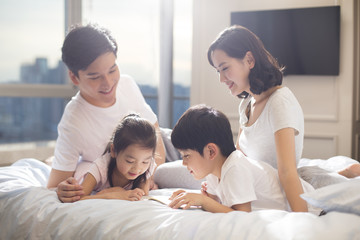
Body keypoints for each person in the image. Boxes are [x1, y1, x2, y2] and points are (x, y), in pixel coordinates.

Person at [206, 25, 360, 212]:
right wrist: (216, 189)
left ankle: (339, 176)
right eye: (217, 71)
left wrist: (301, 220)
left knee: (309, 179)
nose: (221, 79)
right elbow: (238, 157)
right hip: (263, 185)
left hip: (278, 189)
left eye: (225, 68)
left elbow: (286, 172)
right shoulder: (246, 105)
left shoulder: (280, 102)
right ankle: (339, 173)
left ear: (249, 60)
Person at [47, 24, 165, 202]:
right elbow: (55, 186)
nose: (108, 83)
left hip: (157, 148)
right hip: (116, 168)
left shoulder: (126, 84)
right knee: (83, 168)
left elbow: (158, 149)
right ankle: (50, 161)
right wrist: (63, 190)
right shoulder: (74, 121)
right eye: (95, 77)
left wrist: (146, 179)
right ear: (74, 77)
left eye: (112, 70)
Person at [168, 105, 317, 213]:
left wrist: (203, 201)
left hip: (311, 206)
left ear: (211, 151)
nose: (183, 163)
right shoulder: (213, 171)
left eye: (186, 155)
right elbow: (217, 205)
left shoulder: (235, 167)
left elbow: (241, 215)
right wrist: (196, 198)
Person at [79, 114, 156, 201]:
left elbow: (143, 193)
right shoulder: (101, 167)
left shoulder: (148, 165)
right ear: (113, 151)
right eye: (130, 161)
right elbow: (80, 198)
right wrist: (111, 194)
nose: (137, 169)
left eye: (145, 162)